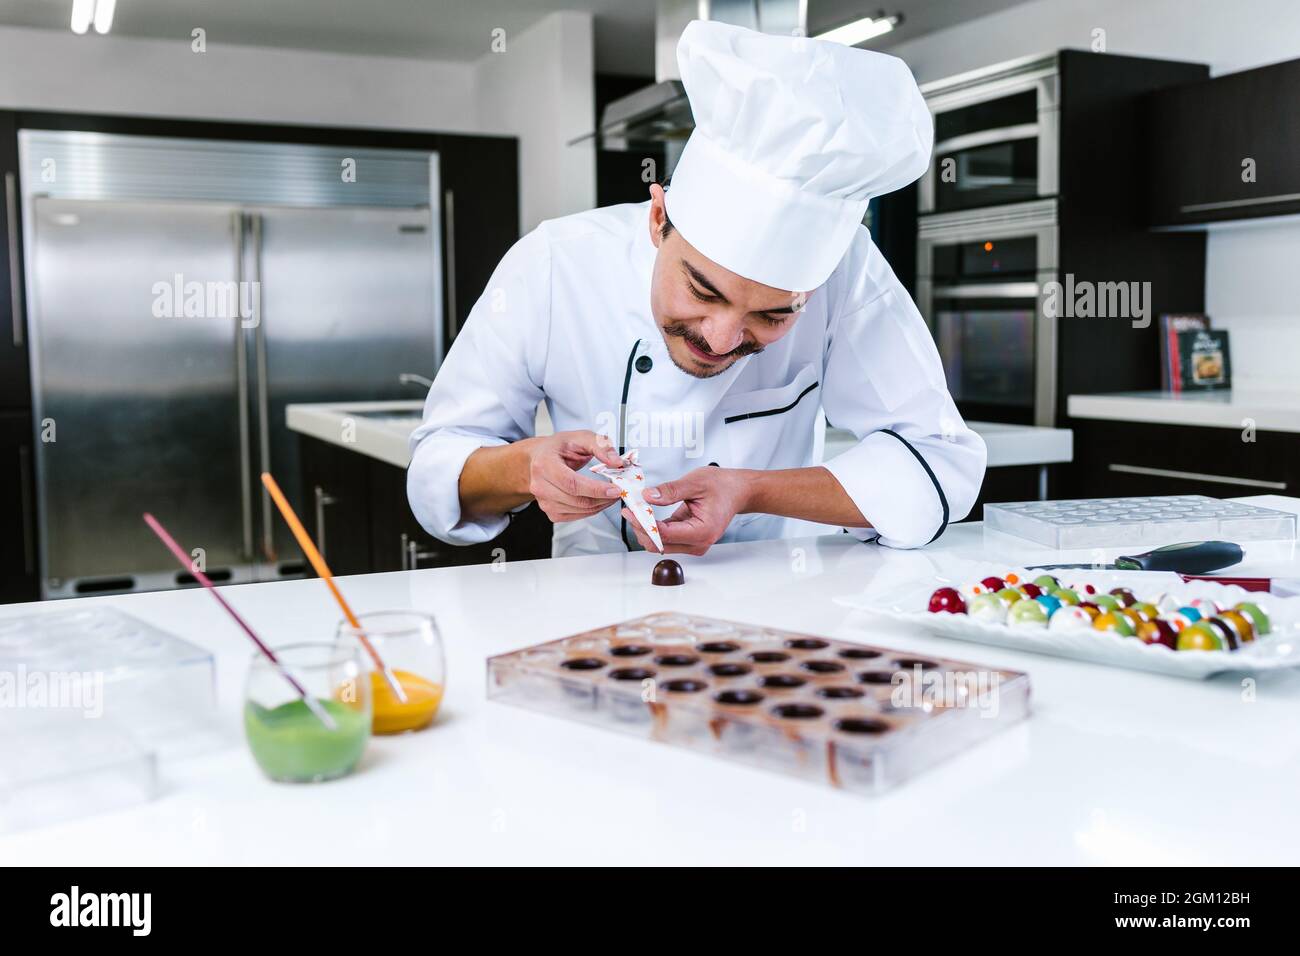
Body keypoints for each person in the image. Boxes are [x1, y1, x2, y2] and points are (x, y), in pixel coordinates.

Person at [408, 20, 986, 558]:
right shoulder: (556, 264)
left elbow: (937, 462)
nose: (722, 336)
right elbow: (437, 467)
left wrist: (750, 490)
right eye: (703, 291)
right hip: (590, 603)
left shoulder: (848, 268)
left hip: (780, 600)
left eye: (773, 315)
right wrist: (522, 468)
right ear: (659, 218)